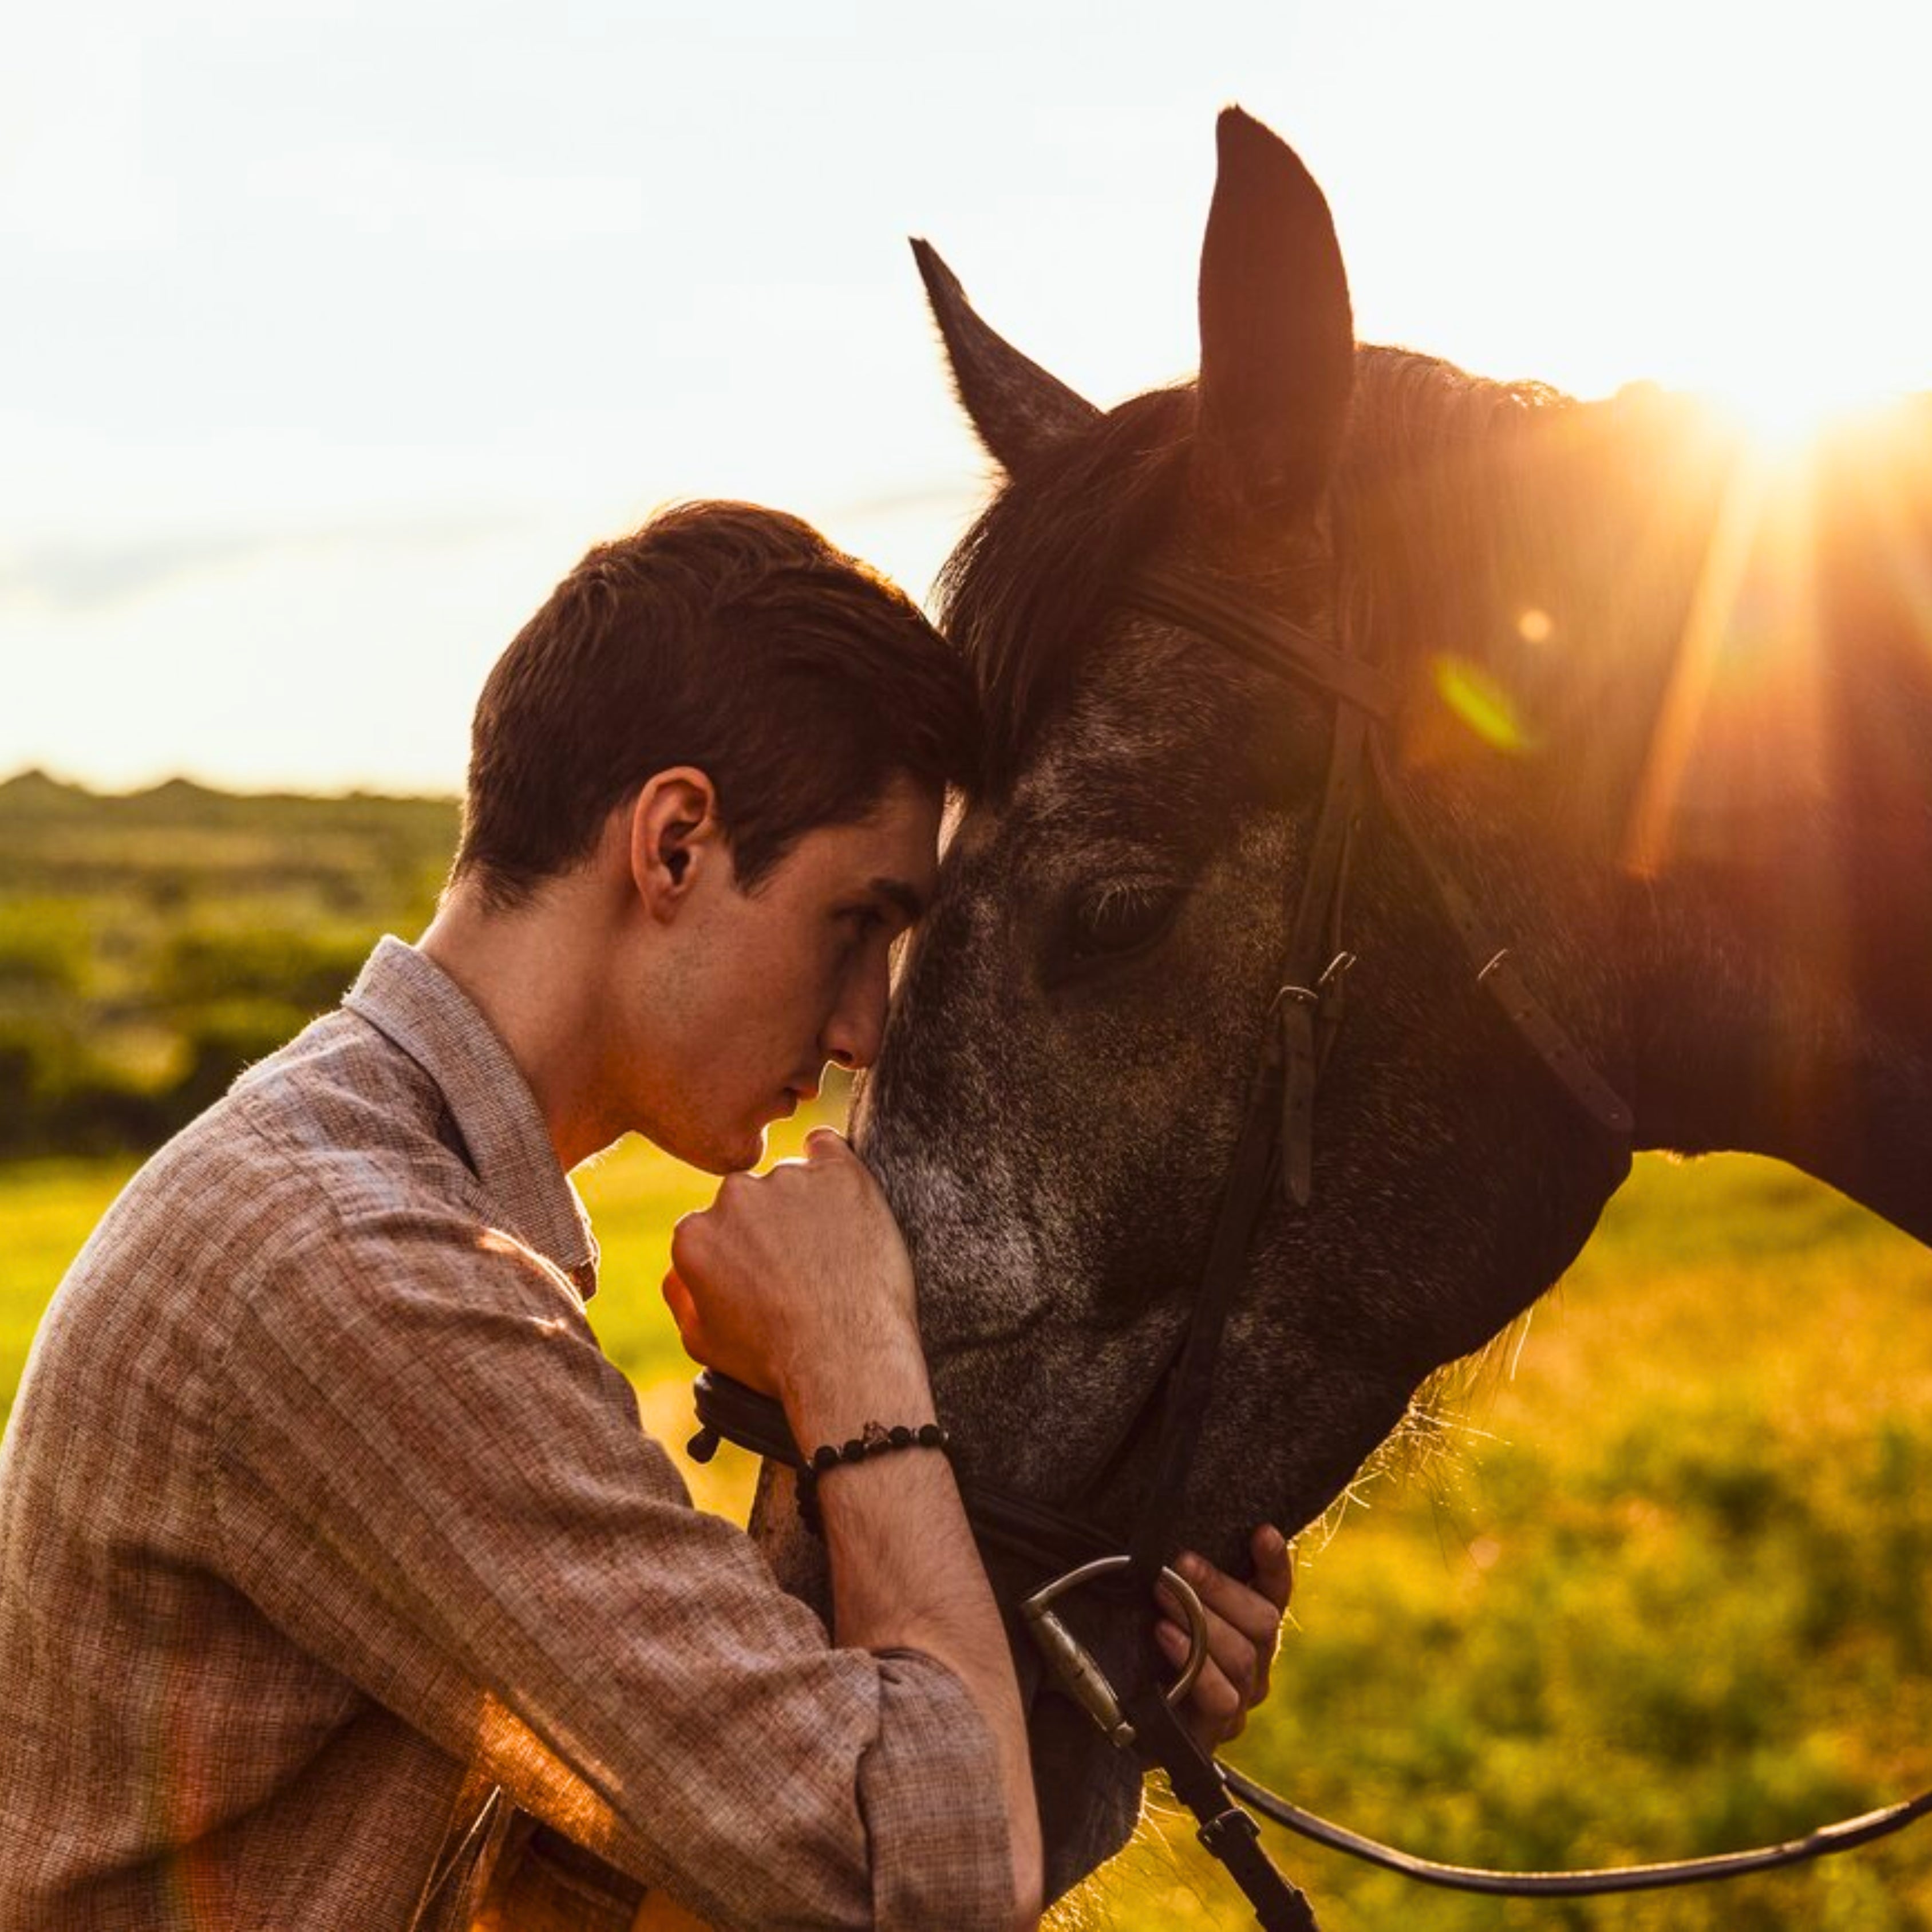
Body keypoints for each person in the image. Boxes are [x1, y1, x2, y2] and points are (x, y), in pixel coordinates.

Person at [0, 502, 1293, 1931]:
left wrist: (1084, 1681)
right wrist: (851, 1349)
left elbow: (636, 1878)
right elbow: (929, 1880)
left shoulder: (382, 1196)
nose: (864, 1027)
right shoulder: (357, 1267)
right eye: (856, 923)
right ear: (674, 843)